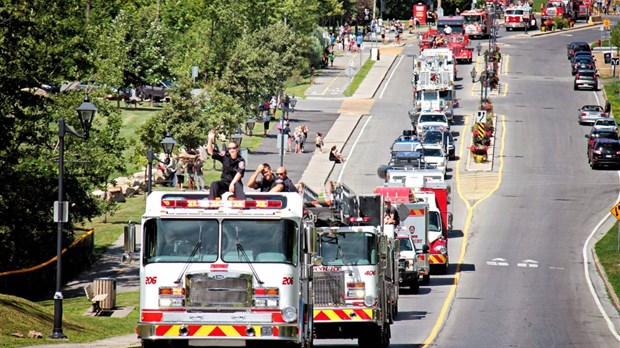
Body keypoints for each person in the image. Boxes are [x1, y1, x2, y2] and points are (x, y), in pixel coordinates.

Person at [206, 129, 246, 200]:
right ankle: (211, 205)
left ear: (237, 149)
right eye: (229, 148)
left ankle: (242, 205)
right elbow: (210, 151)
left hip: (235, 183)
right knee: (214, 184)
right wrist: (210, 139)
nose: (231, 150)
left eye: (233, 148)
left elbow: (239, 174)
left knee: (238, 186)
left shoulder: (241, 161)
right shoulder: (225, 155)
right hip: (224, 183)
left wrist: (232, 183)